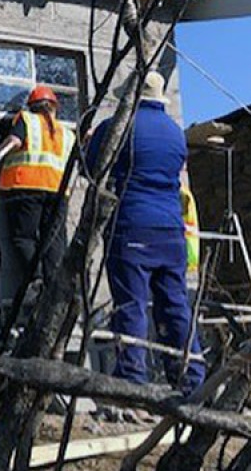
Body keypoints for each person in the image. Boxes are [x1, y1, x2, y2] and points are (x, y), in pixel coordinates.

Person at [85, 70, 205, 395]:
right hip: (170, 229)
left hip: (132, 224)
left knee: (132, 304)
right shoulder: (175, 132)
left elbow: (91, 166)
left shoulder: (119, 125)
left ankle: (132, 380)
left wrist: (90, 140)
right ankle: (190, 380)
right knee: (176, 304)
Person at [0, 84, 74, 317]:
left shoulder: (27, 120)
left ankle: (36, 280)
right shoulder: (65, 132)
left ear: (32, 106)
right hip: (58, 192)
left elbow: (15, 142)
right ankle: (56, 288)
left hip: (27, 187)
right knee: (54, 242)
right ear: (54, 107)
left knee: (23, 238)